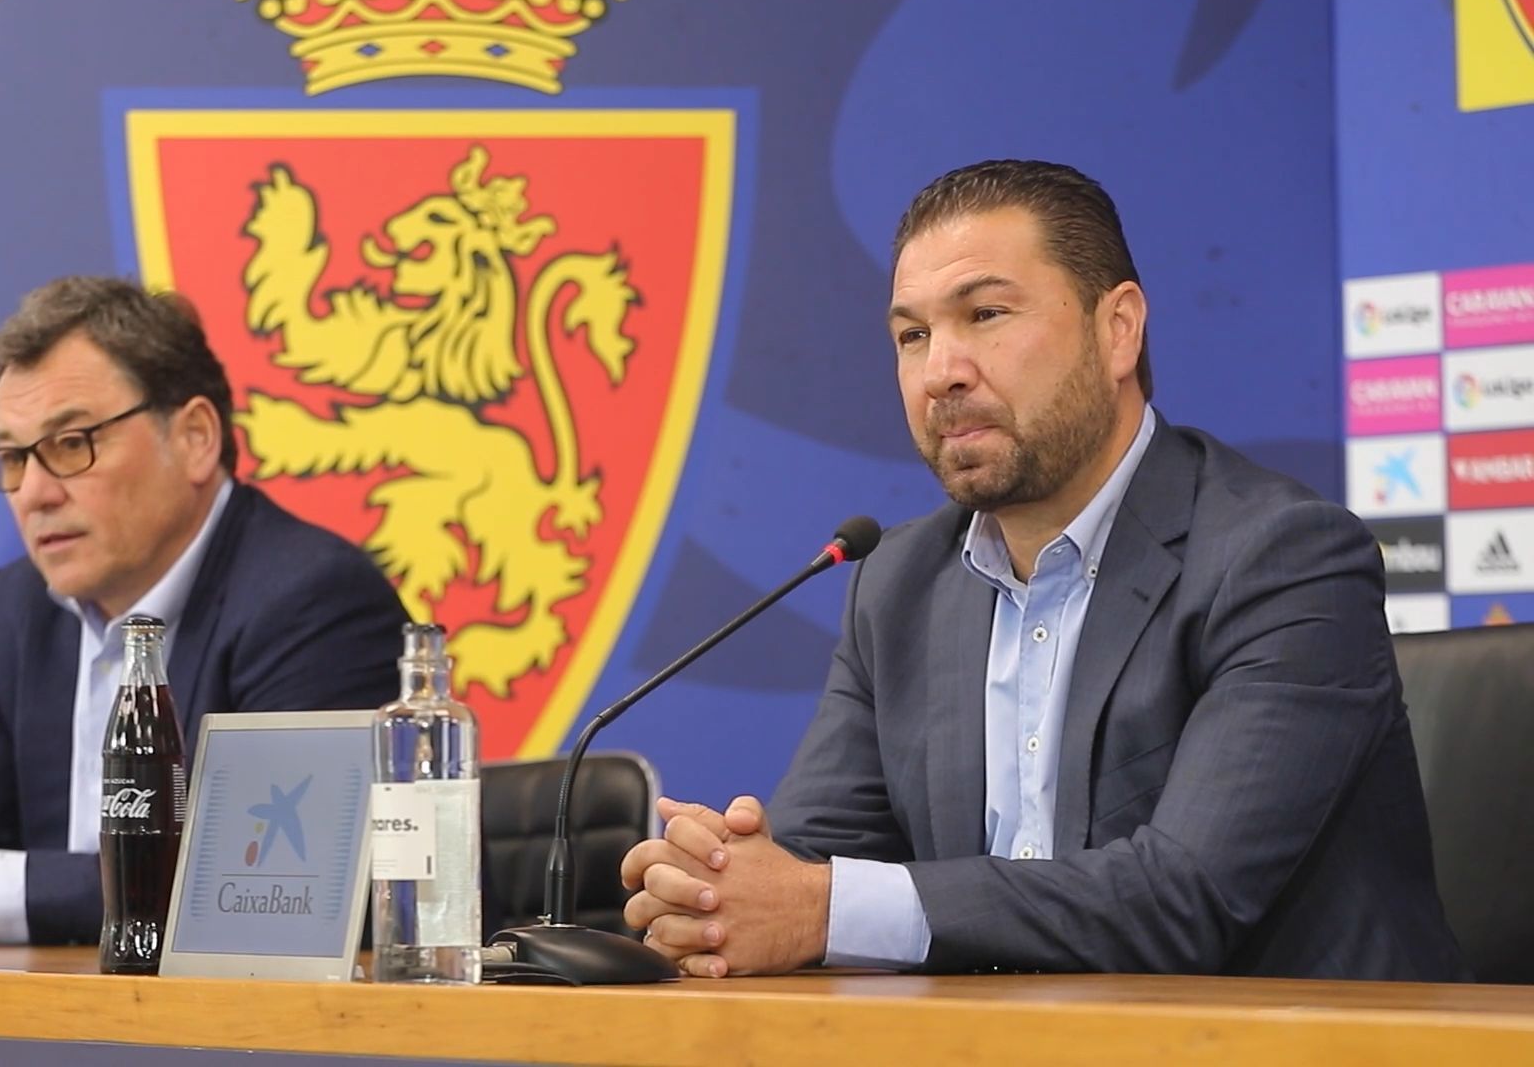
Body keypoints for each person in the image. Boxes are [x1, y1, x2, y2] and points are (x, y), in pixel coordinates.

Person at [621, 160, 1469, 981]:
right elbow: (813, 865)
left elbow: (1183, 899)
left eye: (985, 314)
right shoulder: (900, 582)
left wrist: (818, 906)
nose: (941, 372)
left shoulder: (1283, 559)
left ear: (1118, 330)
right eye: (912, 335)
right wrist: (714, 893)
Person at [0, 276, 408, 946]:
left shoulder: (311, 600)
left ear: (193, 437)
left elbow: (265, 880)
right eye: (14, 457)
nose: (35, 493)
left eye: (71, 444)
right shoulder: (17, 610)